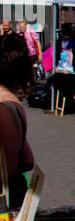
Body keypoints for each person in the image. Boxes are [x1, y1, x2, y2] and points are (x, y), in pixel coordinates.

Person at [0, 34, 35, 208]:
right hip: (13, 196)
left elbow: (8, 169)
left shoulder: (3, 108)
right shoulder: (12, 105)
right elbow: (27, 159)